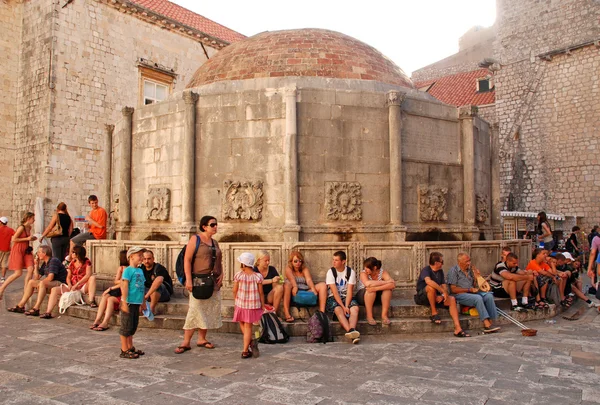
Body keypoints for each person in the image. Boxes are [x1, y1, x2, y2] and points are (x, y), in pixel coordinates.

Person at [175, 216, 223, 354]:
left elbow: (219, 260)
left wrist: (222, 274)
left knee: (208, 310)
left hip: (212, 281)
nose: (215, 227)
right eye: (212, 224)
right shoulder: (195, 240)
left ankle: (202, 338)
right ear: (204, 226)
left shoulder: (215, 243)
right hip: (198, 279)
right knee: (194, 310)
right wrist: (188, 279)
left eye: (216, 224)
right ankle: (186, 342)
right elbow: (187, 260)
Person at [414, 252, 469, 337]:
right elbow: (429, 281)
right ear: (436, 263)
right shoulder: (426, 270)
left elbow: (444, 286)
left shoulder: (440, 271)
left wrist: (443, 295)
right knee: (430, 287)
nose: (443, 263)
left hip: (436, 297)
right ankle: (434, 313)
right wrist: (442, 291)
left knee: (452, 299)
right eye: (442, 262)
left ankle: (458, 328)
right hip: (422, 297)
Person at [37, 245, 97, 318]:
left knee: (92, 278)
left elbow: (87, 275)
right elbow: (68, 276)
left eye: (73, 252)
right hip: (72, 285)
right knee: (54, 290)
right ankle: (48, 312)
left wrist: (77, 284)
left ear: (77, 254)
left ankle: (91, 300)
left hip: (82, 285)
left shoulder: (87, 262)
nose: (71, 254)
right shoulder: (71, 263)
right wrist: (69, 284)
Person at [447, 253, 500, 333]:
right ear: (459, 262)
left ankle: (492, 321)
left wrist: (477, 277)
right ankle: (486, 325)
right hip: (459, 295)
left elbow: (475, 286)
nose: (469, 263)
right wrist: (469, 290)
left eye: (469, 261)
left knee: (489, 296)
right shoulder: (453, 271)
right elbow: (453, 289)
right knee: (477, 298)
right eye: (466, 261)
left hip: (471, 293)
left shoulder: (470, 270)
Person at [7, 245, 67, 315]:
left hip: (60, 283)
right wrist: (36, 265)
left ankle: (36, 308)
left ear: (44, 253)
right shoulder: (45, 263)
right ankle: (20, 305)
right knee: (31, 282)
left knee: (42, 283)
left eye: (39, 252)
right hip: (51, 282)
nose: (37, 254)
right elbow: (37, 277)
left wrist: (40, 283)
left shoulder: (53, 261)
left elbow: (50, 277)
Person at [233, 252, 265, 358]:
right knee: (247, 325)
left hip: (241, 303)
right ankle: (250, 342)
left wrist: (235, 299)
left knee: (245, 325)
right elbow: (261, 292)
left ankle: (245, 350)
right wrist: (263, 304)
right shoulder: (258, 276)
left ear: (243, 264)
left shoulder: (239, 275)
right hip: (252, 304)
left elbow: (234, 290)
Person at [325, 251, 361, 344]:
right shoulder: (331, 272)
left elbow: (349, 291)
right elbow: (335, 292)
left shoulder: (350, 272)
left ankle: (352, 329)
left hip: (346, 296)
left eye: (336, 260)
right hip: (333, 297)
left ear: (343, 261)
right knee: (338, 309)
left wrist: (347, 305)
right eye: (333, 260)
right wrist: (343, 306)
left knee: (355, 308)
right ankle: (351, 332)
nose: (334, 262)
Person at [118, 246, 147, 359]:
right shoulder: (128, 271)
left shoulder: (140, 270)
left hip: (136, 302)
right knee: (125, 326)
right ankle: (124, 349)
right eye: (139, 255)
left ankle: (130, 346)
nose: (141, 258)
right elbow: (124, 286)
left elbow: (142, 286)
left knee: (132, 326)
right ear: (131, 257)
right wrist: (124, 302)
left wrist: (143, 301)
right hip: (129, 302)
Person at [283, 251, 327, 322]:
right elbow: (291, 279)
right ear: (291, 262)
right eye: (295, 261)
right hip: (295, 292)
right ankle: (287, 314)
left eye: (300, 261)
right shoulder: (288, 269)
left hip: (305, 290)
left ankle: (322, 314)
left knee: (323, 285)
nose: (298, 263)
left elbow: (309, 280)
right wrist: (295, 287)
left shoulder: (304, 269)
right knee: (287, 284)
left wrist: (313, 288)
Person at [0, 212, 36, 300]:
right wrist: (27, 238)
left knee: (31, 269)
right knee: (18, 273)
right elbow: (14, 239)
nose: (34, 220)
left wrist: (32, 238)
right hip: (18, 250)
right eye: (33, 218)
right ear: (28, 218)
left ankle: (26, 291)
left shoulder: (29, 227)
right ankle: (1, 288)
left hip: (26, 250)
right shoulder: (21, 227)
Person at [91, 250, 127, 331]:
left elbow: (125, 283)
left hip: (123, 291)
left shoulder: (131, 269)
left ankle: (105, 322)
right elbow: (116, 281)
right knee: (105, 296)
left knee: (109, 298)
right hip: (119, 289)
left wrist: (111, 288)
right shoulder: (121, 268)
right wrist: (122, 281)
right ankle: (97, 320)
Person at [355, 257, 395, 325]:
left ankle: (384, 316)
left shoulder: (383, 273)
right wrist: (386, 282)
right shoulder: (363, 273)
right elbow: (367, 283)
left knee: (387, 290)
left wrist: (376, 288)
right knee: (370, 290)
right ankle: (369, 316)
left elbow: (392, 285)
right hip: (362, 296)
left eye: (367, 268)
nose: (365, 269)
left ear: (374, 268)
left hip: (376, 296)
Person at [140, 250, 173, 314]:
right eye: (145, 259)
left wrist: (146, 295)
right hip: (147, 295)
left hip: (163, 294)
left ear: (153, 259)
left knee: (157, 284)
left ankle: (151, 309)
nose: (146, 261)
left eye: (149, 259)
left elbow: (159, 280)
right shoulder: (141, 268)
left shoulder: (159, 268)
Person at [253, 250, 283, 314]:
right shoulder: (254, 270)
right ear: (259, 260)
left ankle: (274, 313)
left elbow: (277, 283)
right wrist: (272, 280)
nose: (268, 262)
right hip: (258, 298)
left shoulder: (272, 269)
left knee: (280, 287)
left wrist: (280, 280)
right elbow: (256, 282)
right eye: (265, 261)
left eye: (269, 260)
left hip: (270, 296)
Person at [0, 217, 15, 283]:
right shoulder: (10, 230)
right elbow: (16, 235)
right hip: (7, 248)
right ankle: (2, 278)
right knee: (4, 263)